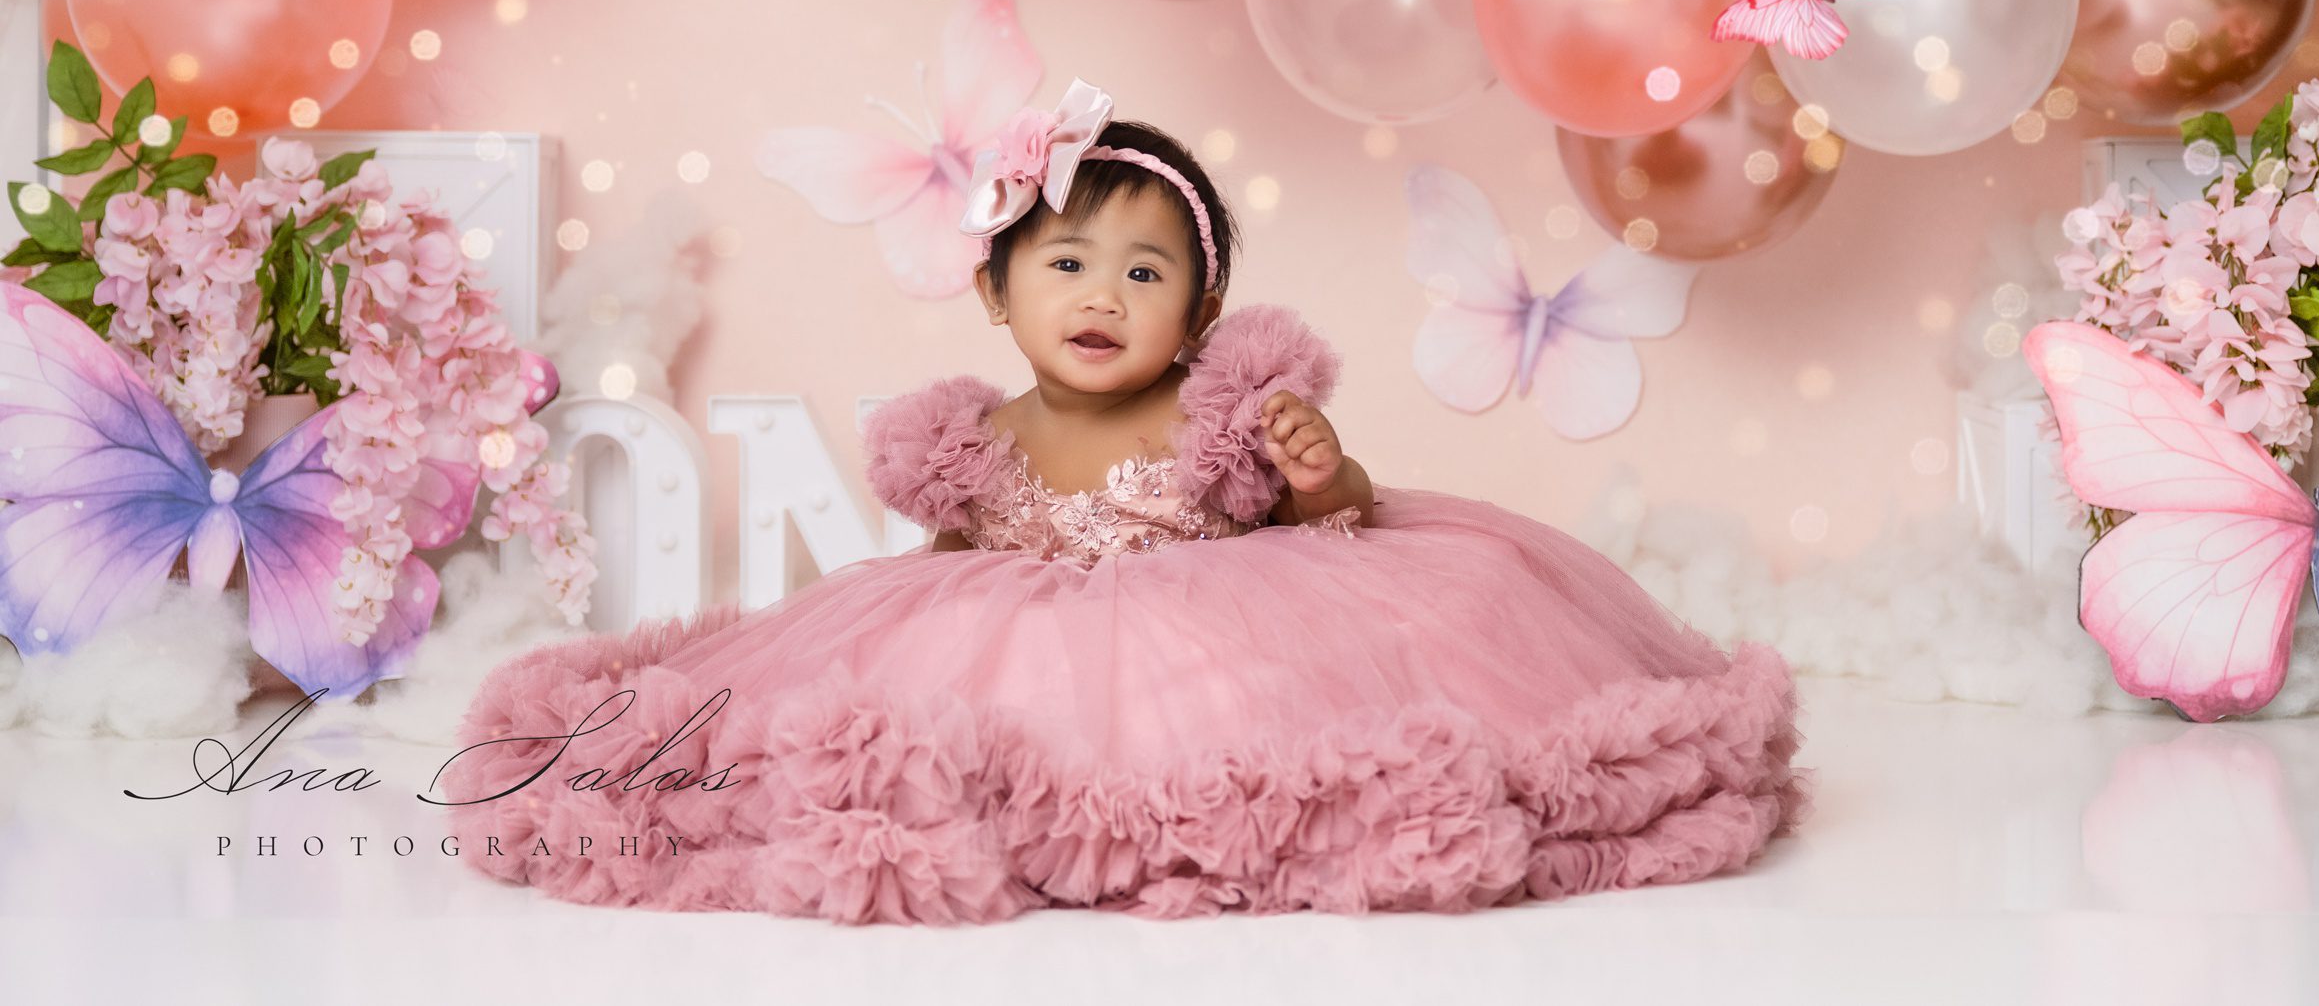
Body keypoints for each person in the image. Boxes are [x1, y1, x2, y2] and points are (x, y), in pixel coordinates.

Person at [441, 79, 1809, 922]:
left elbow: (1331, 524)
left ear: (1201, 312)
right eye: (1069, 264)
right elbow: (954, 577)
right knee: (937, 710)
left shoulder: (1218, 412)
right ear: (994, 290)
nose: (1104, 297)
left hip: (1224, 647)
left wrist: (1321, 471)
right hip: (1041, 653)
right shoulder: (979, 437)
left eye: (1148, 276)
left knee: (1273, 728)